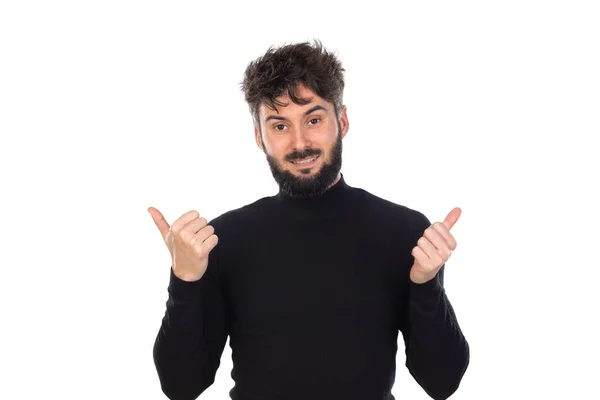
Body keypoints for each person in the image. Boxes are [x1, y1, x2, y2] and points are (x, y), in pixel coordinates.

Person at [149, 39, 469, 400]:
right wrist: (185, 281)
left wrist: (426, 287)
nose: (300, 143)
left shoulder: (404, 233)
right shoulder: (223, 240)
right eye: (280, 126)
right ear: (259, 137)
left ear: (342, 121)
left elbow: (442, 383)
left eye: (313, 119)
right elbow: (181, 387)